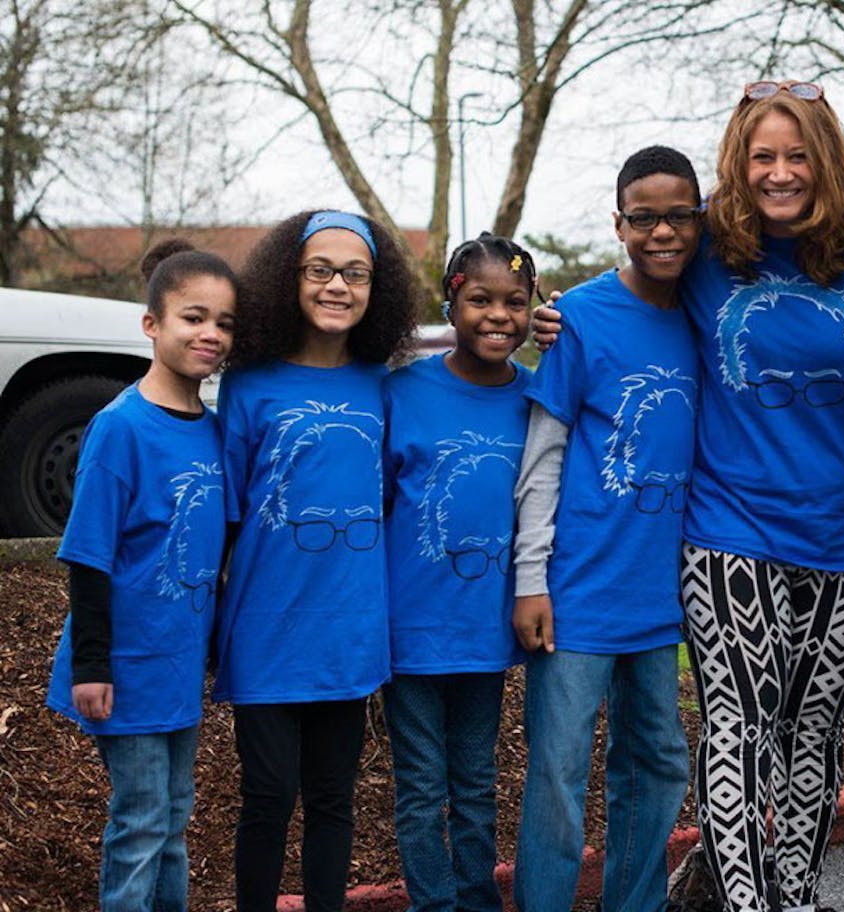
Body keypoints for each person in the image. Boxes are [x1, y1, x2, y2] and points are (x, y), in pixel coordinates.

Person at [532, 85, 844, 912]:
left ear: (825, 159)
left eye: (797, 155)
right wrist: (550, 316)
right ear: (739, 164)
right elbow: (632, 272)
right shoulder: (706, 251)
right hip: (729, 529)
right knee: (737, 726)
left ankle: (797, 897)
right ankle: (746, 905)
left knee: (814, 734)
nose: (780, 173)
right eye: (762, 156)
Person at [511, 146, 700, 912]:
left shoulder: (707, 312)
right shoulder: (580, 317)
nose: (663, 232)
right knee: (558, 772)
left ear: (701, 220)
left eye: (679, 216)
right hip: (577, 589)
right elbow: (544, 454)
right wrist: (530, 578)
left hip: (665, 594)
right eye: (645, 218)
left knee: (655, 762)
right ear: (619, 224)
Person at [215, 210, 418, 912]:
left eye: (355, 273)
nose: (338, 285)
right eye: (320, 270)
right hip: (267, 627)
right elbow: (227, 517)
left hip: (350, 629)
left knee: (334, 800)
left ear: (376, 286)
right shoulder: (249, 386)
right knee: (268, 796)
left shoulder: (382, 385)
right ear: (288, 279)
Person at [45, 239, 237, 910]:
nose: (210, 333)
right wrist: (91, 665)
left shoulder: (214, 432)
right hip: (123, 666)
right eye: (193, 317)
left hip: (178, 664)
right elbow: (89, 554)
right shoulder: (118, 428)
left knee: (174, 821)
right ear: (151, 323)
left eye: (224, 322)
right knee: (142, 821)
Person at [381, 232, 535, 911]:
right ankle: (433, 905)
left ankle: (477, 901)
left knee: (475, 781)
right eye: (480, 300)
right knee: (421, 788)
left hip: (485, 631)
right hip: (410, 629)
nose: (498, 315)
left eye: (515, 301)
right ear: (452, 300)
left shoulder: (538, 398)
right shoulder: (402, 392)